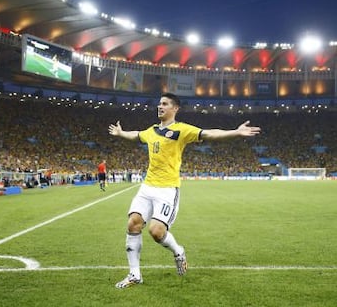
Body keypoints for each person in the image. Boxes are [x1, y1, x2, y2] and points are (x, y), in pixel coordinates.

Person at [108, 92, 261, 289]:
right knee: (133, 224)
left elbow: (209, 134)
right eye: (159, 103)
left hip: (167, 189)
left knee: (156, 231)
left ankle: (178, 251)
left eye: (164, 104)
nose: (160, 107)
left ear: (175, 108)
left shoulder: (181, 130)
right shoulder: (151, 131)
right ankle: (134, 274)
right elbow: (135, 135)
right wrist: (121, 133)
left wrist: (235, 132)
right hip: (147, 187)